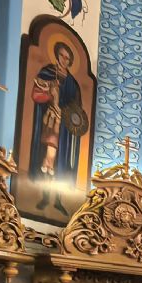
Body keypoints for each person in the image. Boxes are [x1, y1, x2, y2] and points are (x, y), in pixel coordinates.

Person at [28, 39, 87, 215]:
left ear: (70, 61)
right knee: (47, 158)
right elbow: (36, 94)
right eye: (62, 55)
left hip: (66, 131)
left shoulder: (73, 83)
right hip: (50, 123)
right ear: (57, 55)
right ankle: (45, 197)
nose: (64, 59)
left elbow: (77, 108)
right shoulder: (47, 73)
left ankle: (59, 200)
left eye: (68, 58)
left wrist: (73, 115)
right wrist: (50, 96)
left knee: (62, 162)